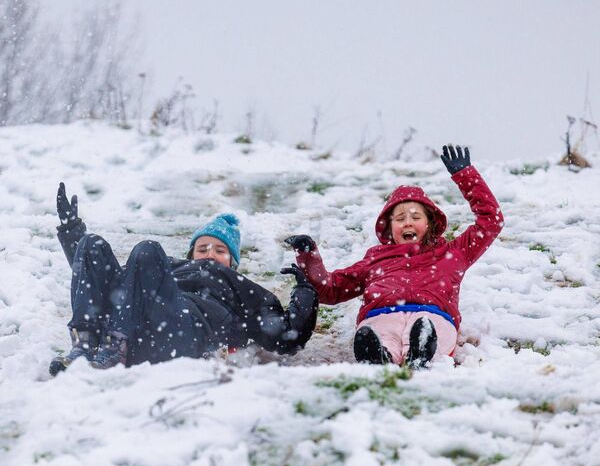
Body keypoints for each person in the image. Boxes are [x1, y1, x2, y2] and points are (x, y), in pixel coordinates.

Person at [49, 183, 318, 376]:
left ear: (233, 262)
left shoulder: (238, 285)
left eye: (220, 250)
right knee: (92, 244)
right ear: (190, 254)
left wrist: (305, 288)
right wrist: (74, 234)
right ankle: (85, 344)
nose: (210, 254)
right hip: (137, 331)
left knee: (147, 249)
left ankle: (114, 348)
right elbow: (104, 285)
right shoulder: (166, 268)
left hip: (181, 335)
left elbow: (288, 336)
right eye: (202, 249)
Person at [285, 145, 503, 368]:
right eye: (399, 218)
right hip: (381, 315)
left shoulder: (452, 253)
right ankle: (378, 355)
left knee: (426, 327)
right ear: (390, 228)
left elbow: (491, 221)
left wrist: (466, 176)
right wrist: (308, 256)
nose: (407, 222)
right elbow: (331, 289)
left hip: (433, 315)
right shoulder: (375, 259)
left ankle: (422, 354)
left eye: (415, 217)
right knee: (380, 332)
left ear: (430, 223)